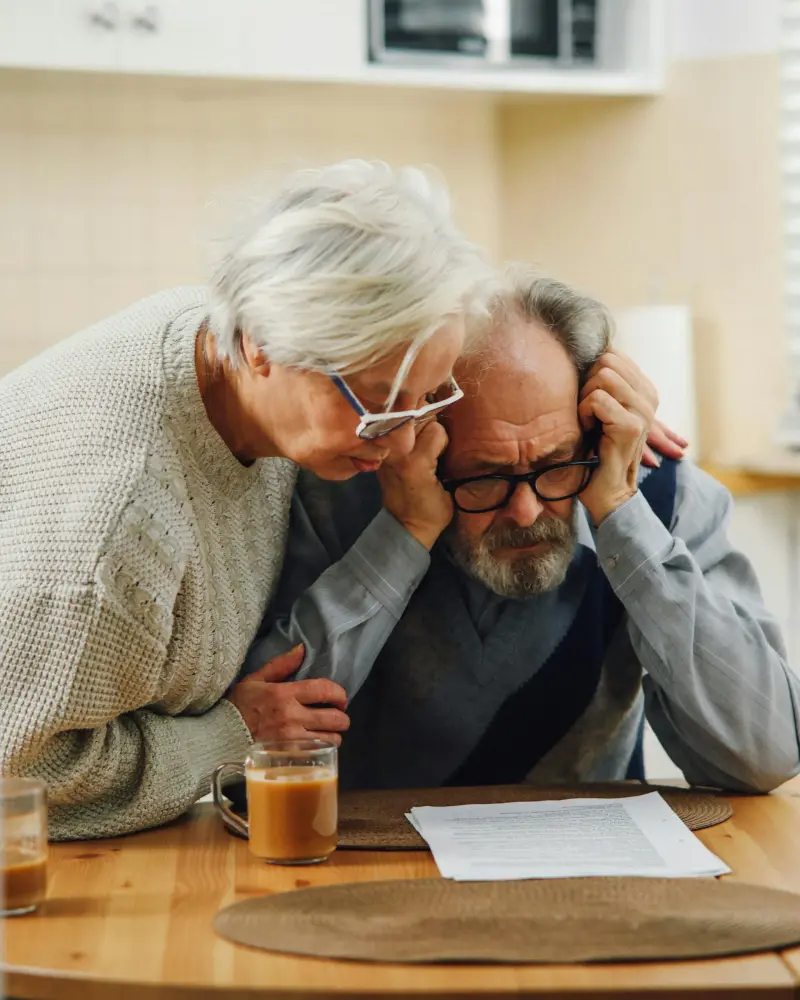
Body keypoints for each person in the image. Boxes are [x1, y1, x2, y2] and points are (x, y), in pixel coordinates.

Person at [0, 160, 494, 840]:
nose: (406, 441)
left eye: (431, 395)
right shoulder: (121, 522)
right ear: (262, 346)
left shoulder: (222, 349)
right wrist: (233, 735)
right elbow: (18, 773)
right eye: (379, 401)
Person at [243, 265, 800, 793]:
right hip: (370, 867)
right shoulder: (339, 492)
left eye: (556, 464)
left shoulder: (656, 495)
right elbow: (262, 743)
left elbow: (765, 756)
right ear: (422, 436)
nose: (527, 511)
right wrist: (403, 532)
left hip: (595, 869)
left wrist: (622, 516)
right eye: (486, 477)